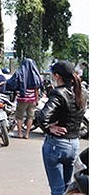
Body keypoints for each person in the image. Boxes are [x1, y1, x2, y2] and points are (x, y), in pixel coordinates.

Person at [40, 60, 87, 195]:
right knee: (68, 188)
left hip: (57, 144)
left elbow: (43, 116)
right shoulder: (82, 91)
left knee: (57, 189)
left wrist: (49, 128)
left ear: (57, 76)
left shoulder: (58, 93)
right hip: (74, 144)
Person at [7, 58, 43, 139]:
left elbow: (11, 83)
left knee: (19, 116)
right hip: (32, 99)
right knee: (30, 117)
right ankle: (27, 134)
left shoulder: (19, 73)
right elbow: (37, 89)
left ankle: (20, 133)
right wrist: (36, 99)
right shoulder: (36, 74)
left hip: (22, 99)